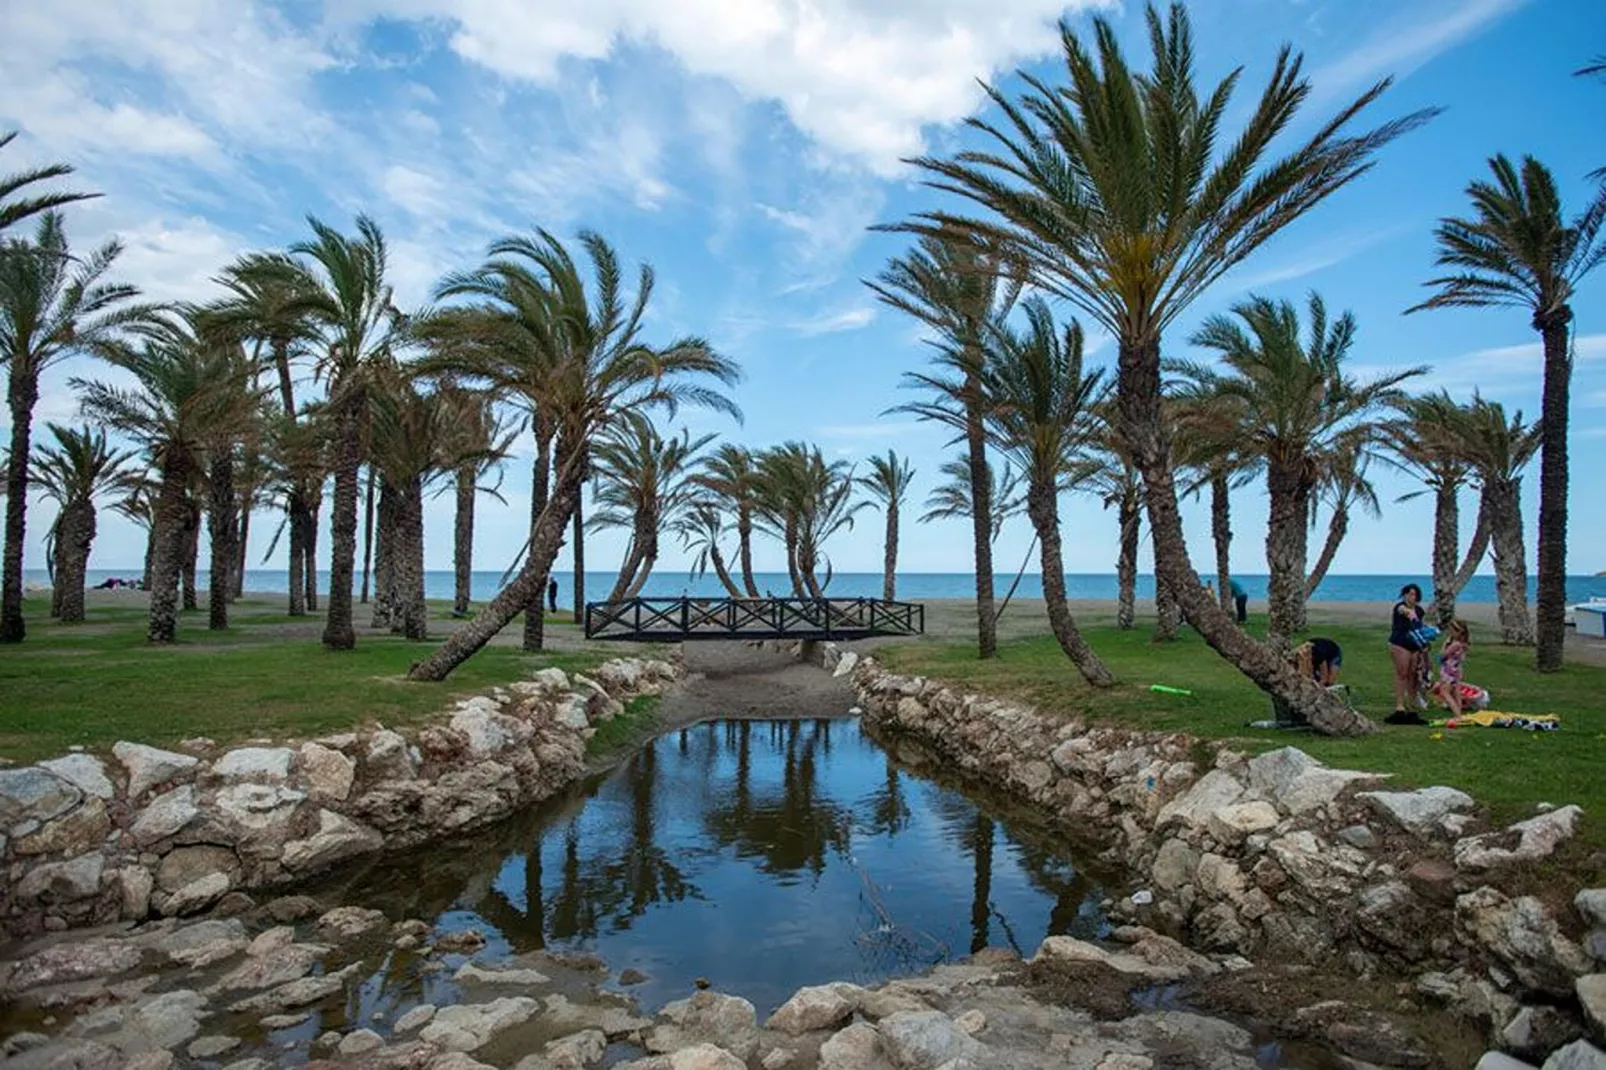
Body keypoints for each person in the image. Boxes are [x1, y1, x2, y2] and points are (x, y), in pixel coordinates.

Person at [1387, 583, 1432, 725]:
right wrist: (1409, 613)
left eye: (1415, 595)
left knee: (1413, 675)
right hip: (1400, 643)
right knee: (1402, 673)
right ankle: (1399, 706)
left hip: (1414, 645)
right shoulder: (1400, 607)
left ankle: (1412, 706)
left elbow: (1420, 626)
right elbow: (1402, 610)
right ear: (1405, 595)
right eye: (1410, 594)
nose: (1412, 597)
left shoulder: (1419, 610)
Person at [1436, 619, 1471, 718]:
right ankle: (1459, 713)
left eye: (1452, 631)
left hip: (1449, 671)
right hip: (1456, 670)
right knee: (1456, 692)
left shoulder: (1455, 644)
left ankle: (1457, 715)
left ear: (1458, 632)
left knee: (1445, 692)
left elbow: (1442, 655)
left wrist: (1445, 644)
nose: (1450, 633)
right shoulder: (1462, 644)